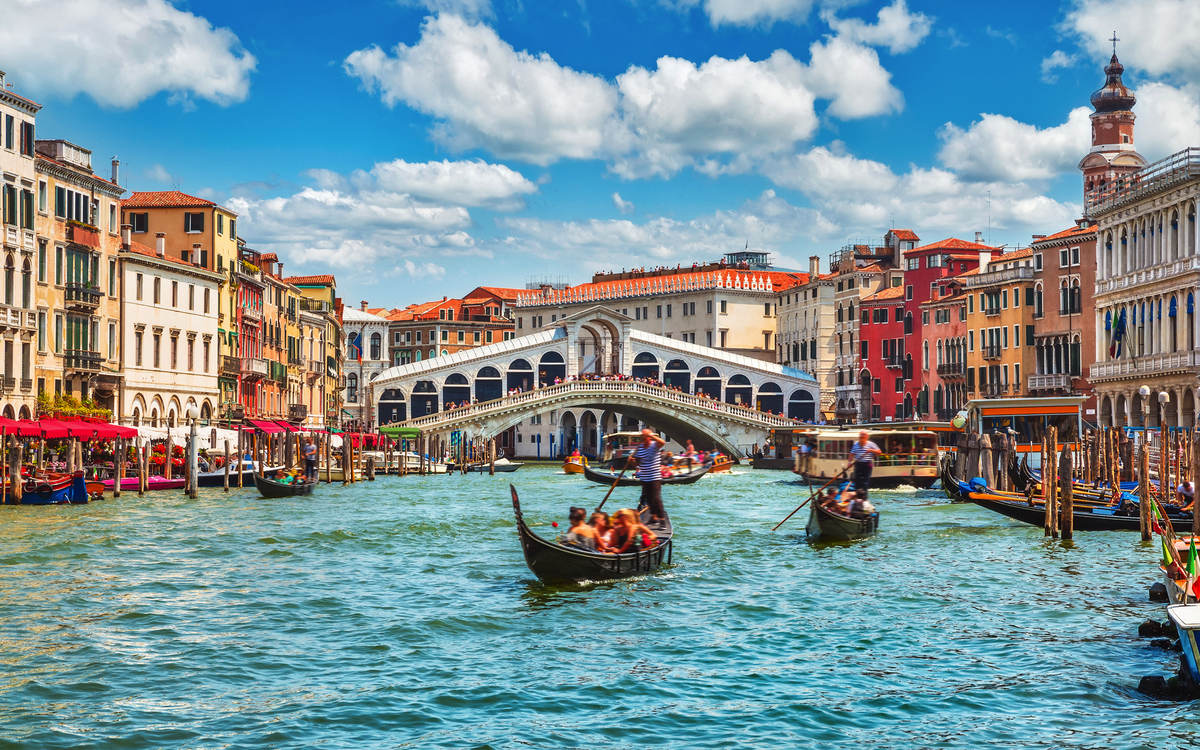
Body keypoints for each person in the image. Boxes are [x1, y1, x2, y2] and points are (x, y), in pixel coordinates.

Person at [631, 428, 667, 523]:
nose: (641, 438)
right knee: (649, 499)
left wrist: (650, 435)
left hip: (654, 477)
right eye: (642, 436)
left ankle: (662, 519)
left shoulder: (654, 445)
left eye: (643, 436)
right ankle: (654, 517)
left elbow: (662, 442)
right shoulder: (640, 448)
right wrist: (631, 461)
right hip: (644, 477)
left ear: (648, 437)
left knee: (656, 498)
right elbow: (636, 463)